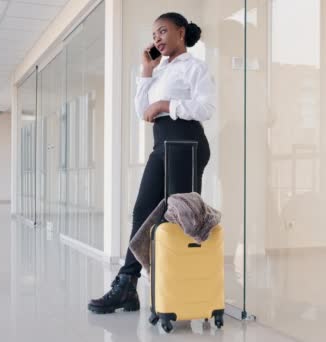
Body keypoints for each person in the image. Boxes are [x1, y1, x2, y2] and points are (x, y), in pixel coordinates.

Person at [88, 12, 216, 314]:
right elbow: (141, 110)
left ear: (180, 33)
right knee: (142, 211)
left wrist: (164, 105)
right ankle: (127, 286)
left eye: (163, 31)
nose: (157, 38)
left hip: (186, 144)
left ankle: (180, 292)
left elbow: (206, 107)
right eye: (154, 33)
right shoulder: (159, 72)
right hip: (164, 144)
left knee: (179, 218)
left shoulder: (195, 68)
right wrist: (146, 71)